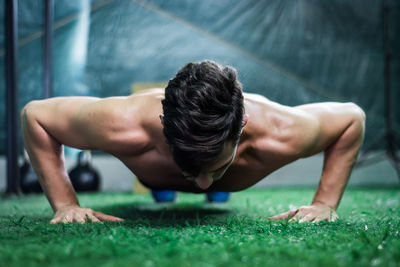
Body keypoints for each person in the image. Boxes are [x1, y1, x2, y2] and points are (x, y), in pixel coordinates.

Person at [21, 61, 365, 224]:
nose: (199, 181)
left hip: (234, 174)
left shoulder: (281, 131)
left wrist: (325, 203)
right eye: (187, 162)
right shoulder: (122, 124)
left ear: (241, 128)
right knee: (183, 185)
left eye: (215, 164)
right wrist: (65, 203)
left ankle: (216, 178)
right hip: (155, 175)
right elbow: (35, 115)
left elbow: (352, 118)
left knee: (214, 188)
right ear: (162, 126)